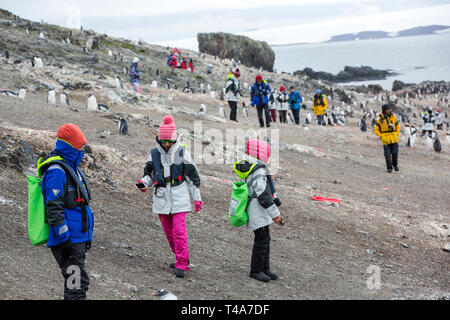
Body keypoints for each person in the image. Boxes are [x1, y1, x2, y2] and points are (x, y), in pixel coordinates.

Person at [135, 115, 203, 278]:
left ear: (174, 139)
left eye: (169, 141)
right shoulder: (154, 155)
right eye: (163, 141)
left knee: (179, 230)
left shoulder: (181, 153)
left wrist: (197, 197)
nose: (166, 144)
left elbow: (192, 178)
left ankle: (181, 263)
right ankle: (182, 256)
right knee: (169, 233)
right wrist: (144, 183)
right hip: (161, 198)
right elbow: (150, 175)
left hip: (179, 196)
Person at [39, 123, 93, 299]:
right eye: (80, 147)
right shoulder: (57, 171)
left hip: (77, 237)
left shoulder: (72, 168)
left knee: (78, 283)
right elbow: (53, 208)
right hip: (68, 241)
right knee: (75, 285)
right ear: (70, 147)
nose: (83, 150)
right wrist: (65, 241)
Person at [233, 139, 283, 282]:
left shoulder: (250, 167)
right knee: (261, 240)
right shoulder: (259, 171)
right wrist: (275, 213)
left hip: (255, 207)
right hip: (258, 209)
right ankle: (256, 270)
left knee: (265, 238)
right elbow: (263, 194)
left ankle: (265, 267)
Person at [374, 104, 401, 173]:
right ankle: (389, 168)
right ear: (384, 110)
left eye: (389, 109)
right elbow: (376, 129)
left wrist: (397, 134)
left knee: (395, 153)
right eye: (387, 109)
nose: (389, 110)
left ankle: (395, 165)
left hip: (394, 138)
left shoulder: (393, 117)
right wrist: (381, 136)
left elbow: (397, 126)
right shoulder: (379, 119)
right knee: (387, 155)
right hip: (385, 139)